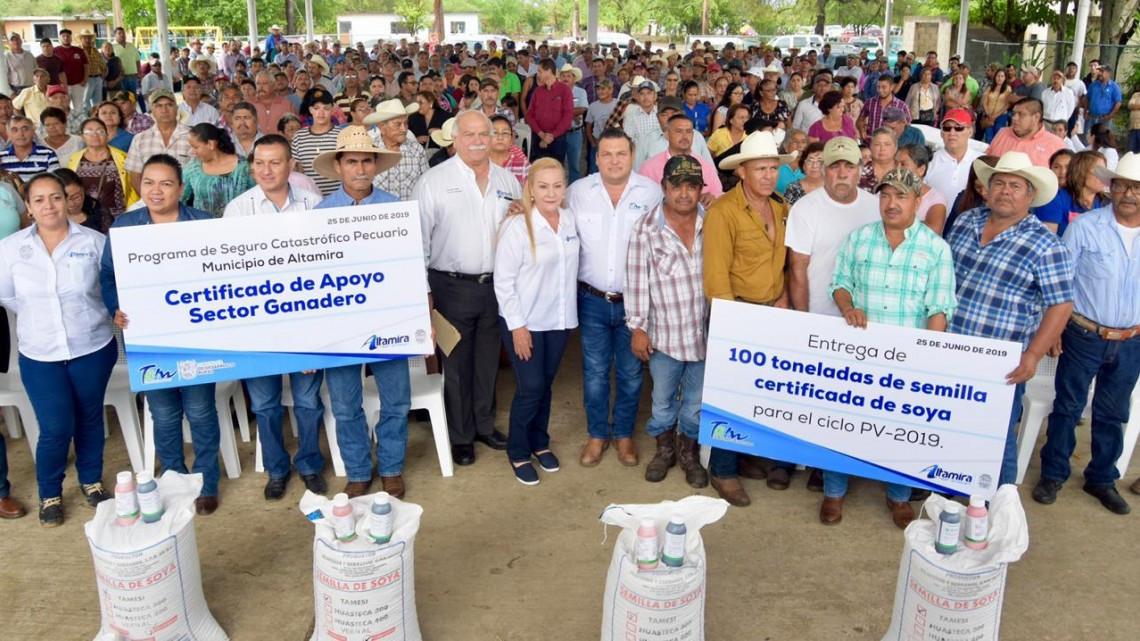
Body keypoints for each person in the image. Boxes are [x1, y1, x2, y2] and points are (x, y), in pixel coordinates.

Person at [825, 167, 957, 527]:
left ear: (917, 201)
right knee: (844, 422)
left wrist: (929, 356)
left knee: (902, 428)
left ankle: (898, 495)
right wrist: (847, 307)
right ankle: (834, 491)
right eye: (885, 195)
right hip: (858, 352)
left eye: (901, 196)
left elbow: (940, 307)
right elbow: (840, 283)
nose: (891, 203)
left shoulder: (935, 248)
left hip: (907, 358)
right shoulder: (859, 238)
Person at [98, 155, 221, 514]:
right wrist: (116, 307)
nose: (156, 191)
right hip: (148, 337)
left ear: (181, 189)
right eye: (149, 182)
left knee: (200, 410)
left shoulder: (203, 223)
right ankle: (174, 480)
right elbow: (108, 275)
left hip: (197, 336)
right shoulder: (125, 227)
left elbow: (222, 273)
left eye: (166, 183)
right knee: (164, 413)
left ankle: (205, 482)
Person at [946, 151, 1074, 487]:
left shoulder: (1046, 245)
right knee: (949, 423)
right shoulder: (965, 222)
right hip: (950, 348)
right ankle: (946, 488)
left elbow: (1061, 305)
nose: (1005, 190)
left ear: (1031, 195)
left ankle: (999, 503)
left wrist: (1033, 354)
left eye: (1015, 185)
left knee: (997, 436)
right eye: (999, 183)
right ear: (987, 189)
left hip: (1001, 360)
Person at [0, 172, 118, 526]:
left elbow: (108, 290)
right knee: (55, 426)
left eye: (55, 197)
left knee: (90, 417)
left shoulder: (95, 242)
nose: (48, 206)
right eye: (39, 200)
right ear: (28, 207)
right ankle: (49, 492)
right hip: (40, 354)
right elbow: (8, 297)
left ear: (67, 200)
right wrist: (44, 318)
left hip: (92, 346)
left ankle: (91, 481)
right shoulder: (10, 249)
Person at [1032, 153, 1140, 514]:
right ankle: (1053, 474)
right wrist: (1055, 329)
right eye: (1122, 185)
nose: (1128, 194)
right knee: (1068, 406)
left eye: (1137, 188)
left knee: (1114, 413)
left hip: (1131, 340)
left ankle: (1102, 479)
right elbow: (1062, 282)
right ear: (1111, 188)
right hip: (1084, 333)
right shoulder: (1086, 226)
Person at [221, 135, 327, 500]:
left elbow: (326, 266)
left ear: (291, 165)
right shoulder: (237, 210)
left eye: (275, 162)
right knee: (265, 405)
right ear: (251, 168)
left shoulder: (314, 205)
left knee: (308, 402)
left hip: (306, 322)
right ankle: (277, 469)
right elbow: (229, 271)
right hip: (258, 326)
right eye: (260, 163)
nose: (267, 170)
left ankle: (310, 464)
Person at [311, 126, 411, 498]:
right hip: (340, 325)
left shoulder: (394, 209)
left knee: (396, 399)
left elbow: (409, 268)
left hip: (389, 320)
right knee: (344, 403)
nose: (360, 169)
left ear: (375, 165)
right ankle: (357, 470)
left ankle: (391, 467)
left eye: (366, 161)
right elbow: (311, 279)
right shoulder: (320, 215)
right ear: (339, 166)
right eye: (351, 161)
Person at [414, 110, 519, 466]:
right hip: (450, 286)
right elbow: (419, 242)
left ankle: (484, 425)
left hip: (495, 286)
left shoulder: (507, 181)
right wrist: (424, 294)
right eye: (469, 134)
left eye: (483, 134)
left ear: (492, 139)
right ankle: (461, 436)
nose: (477, 141)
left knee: (488, 360)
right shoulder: (433, 181)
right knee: (456, 363)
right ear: (455, 139)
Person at [704, 131, 796, 505]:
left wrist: (784, 296)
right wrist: (731, 325)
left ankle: (741, 455)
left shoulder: (780, 207)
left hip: (772, 310)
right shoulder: (723, 211)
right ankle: (722, 469)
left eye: (773, 168)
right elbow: (715, 275)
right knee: (732, 393)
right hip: (738, 311)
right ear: (742, 171)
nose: (769, 176)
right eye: (760, 169)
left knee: (759, 390)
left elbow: (783, 261)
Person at [567, 128, 663, 467]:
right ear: (596, 158)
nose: (614, 160)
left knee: (631, 373)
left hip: (635, 302)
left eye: (621, 153)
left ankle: (623, 434)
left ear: (632, 156)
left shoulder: (651, 193)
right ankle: (597, 434)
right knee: (594, 372)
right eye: (606, 154)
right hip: (591, 299)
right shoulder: (578, 192)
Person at [624, 154, 710, 488]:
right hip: (665, 335)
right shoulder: (646, 228)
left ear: (701, 189)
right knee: (662, 399)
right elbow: (636, 280)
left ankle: (688, 452)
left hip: (703, 332)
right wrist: (638, 328)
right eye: (677, 186)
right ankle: (664, 450)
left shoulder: (712, 222)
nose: (684, 194)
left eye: (692, 186)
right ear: (664, 187)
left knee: (695, 401)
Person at [493, 158, 578, 485]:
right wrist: (517, 327)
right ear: (529, 188)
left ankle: (540, 442)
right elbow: (503, 282)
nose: (551, 193)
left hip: (558, 319)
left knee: (546, 383)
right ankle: (517, 450)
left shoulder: (569, 220)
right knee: (531, 387)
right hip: (525, 321)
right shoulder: (517, 226)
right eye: (543, 186)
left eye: (557, 186)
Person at [639, 114, 722, 203]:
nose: (684, 136)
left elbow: (718, 196)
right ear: (667, 135)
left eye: (689, 132)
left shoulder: (705, 166)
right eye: (679, 131)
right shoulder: (650, 167)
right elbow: (642, 200)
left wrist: (712, 199)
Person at [66, 116, 135, 220]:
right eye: (89, 132)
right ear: (82, 137)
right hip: (86, 217)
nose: (95, 135)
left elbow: (132, 188)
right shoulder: (74, 159)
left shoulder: (122, 157)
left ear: (107, 135)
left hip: (118, 216)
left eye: (100, 131)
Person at [124, 89, 191, 194]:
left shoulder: (191, 136)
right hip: (151, 198)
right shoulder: (140, 139)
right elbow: (135, 176)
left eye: (169, 105)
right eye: (159, 106)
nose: (164, 110)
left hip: (186, 199)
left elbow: (199, 172)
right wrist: (149, 198)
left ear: (177, 108)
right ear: (152, 111)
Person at [180, 123, 254, 218]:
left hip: (238, 224)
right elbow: (180, 197)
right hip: (202, 225)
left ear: (211, 144)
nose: (192, 152)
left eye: (195, 147)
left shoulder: (243, 167)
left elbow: (256, 196)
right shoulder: (193, 168)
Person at [1034, 150, 1108, 236]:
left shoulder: (1107, 203)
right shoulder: (1055, 199)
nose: (1103, 176)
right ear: (1081, 172)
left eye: (1104, 171)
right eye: (1098, 171)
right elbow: (1047, 239)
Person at [925, 109, 984, 207]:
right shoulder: (929, 161)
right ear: (941, 133)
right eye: (947, 128)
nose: (952, 133)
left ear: (970, 132)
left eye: (959, 128)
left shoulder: (981, 161)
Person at [987, 98, 1066, 168]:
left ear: (1036, 117)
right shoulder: (1002, 133)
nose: (1014, 118)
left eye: (1021, 114)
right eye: (1014, 114)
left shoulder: (1055, 145)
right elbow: (987, 160)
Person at [291, 87, 341, 196]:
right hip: (310, 197)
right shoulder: (299, 137)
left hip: (338, 198)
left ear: (332, 110)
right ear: (310, 110)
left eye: (326, 108)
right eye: (316, 108)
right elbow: (299, 170)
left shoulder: (342, 135)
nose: (321, 113)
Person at [527, 59, 574, 162]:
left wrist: (551, 137)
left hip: (558, 140)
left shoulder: (565, 90)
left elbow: (567, 117)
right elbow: (530, 115)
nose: (538, 74)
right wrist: (541, 135)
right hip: (538, 138)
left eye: (540, 71)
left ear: (548, 71)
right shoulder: (537, 91)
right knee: (539, 168)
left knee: (556, 169)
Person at [897, 143, 948, 235]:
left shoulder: (936, 198)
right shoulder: (889, 190)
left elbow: (933, 230)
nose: (897, 168)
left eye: (903, 164)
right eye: (896, 163)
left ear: (921, 170)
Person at [858, 74, 909, 142]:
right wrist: (862, 131)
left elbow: (908, 126)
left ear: (892, 87)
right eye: (878, 87)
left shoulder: (902, 105)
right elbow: (859, 121)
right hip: (872, 142)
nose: (880, 90)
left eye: (884, 87)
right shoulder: (870, 102)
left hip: (893, 143)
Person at [53, 167, 107, 232]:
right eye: (64, 200)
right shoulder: (48, 218)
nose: (71, 204)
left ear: (83, 189)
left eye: (76, 197)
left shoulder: (99, 212)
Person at [560, 64, 588, 182]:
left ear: (574, 78)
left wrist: (565, 113)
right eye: (563, 76)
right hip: (559, 133)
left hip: (575, 133)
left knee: (574, 166)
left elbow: (582, 109)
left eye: (568, 76)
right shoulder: (556, 91)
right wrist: (572, 114)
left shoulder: (581, 92)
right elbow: (554, 110)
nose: (565, 78)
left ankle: (573, 189)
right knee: (558, 165)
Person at [489, 114, 529, 187]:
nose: (500, 137)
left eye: (505, 133)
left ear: (511, 138)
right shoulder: (478, 163)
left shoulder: (523, 166)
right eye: (495, 132)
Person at [53, 29, 88, 113]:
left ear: (71, 38)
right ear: (60, 38)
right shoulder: (55, 51)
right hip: (63, 85)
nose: (66, 38)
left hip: (78, 84)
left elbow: (86, 66)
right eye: (63, 36)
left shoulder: (79, 50)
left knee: (79, 107)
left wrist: (85, 80)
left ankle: (79, 121)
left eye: (68, 36)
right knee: (64, 107)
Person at [782, 141, 825, 206]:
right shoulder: (793, 188)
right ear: (804, 165)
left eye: (819, 161)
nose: (814, 166)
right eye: (810, 161)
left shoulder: (833, 187)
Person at [1084, 64, 1122, 134]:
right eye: (1099, 71)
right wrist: (1085, 111)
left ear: (1108, 73)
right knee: (1089, 136)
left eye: (1102, 71)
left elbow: (1118, 102)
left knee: (1103, 137)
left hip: (1105, 118)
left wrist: (1110, 115)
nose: (1100, 73)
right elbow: (1087, 98)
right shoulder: (1093, 85)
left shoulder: (1114, 87)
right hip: (1092, 117)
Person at [859, 128, 897, 192]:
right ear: (871, 147)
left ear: (895, 147)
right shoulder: (860, 172)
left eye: (887, 144)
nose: (882, 149)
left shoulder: (905, 172)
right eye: (877, 144)